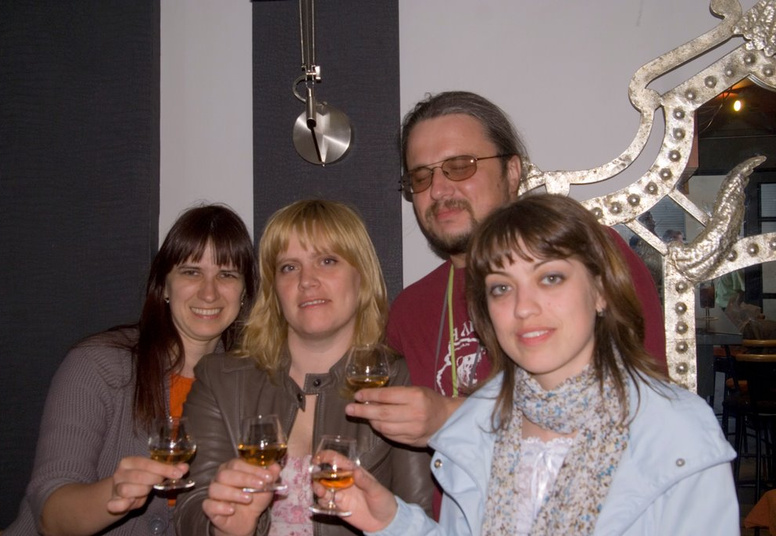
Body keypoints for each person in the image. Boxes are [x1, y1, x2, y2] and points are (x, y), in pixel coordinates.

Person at [327, 193, 738, 536]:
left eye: (550, 278)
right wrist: (392, 521)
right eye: (502, 288)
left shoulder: (675, 433)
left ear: (600, 290)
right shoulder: (477, 425)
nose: (523, 307)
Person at [347, 90, 666, 449]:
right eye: (421, 177)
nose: (437, 190)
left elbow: (646, 410)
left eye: (460, 166)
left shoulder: (586, 256)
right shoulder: (410, 310)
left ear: (511, 172)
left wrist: (454, 417)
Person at [174, 199, 433, 536]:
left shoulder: (398, 382)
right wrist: (224, 529)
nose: (307, 280)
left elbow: (418, 518)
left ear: (362, 277)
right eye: (289, 267)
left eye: (327, 261)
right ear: (273, 290)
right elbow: (191, 511)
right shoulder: (219, 379)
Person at [3, 204, 258, 536]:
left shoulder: (252, 385)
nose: (209, 292)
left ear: (244, 291)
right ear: (164, 285)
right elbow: (51, 516)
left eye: (227, 275)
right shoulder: (97, 365)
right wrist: (114, 494)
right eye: (191, 271)